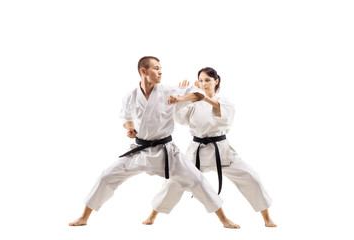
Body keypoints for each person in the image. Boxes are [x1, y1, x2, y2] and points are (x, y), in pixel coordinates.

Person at [69, 57, 239, 228]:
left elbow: (199, 94)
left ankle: (224, 219)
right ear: (143, 71)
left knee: (197, 180)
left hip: (166, 151)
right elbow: (125, 116)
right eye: (156, 68)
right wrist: (129, 128)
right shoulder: (131, 96)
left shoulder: (168, 91)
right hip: (140, 150)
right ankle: (84, 217)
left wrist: (180, 99)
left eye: (161, 68)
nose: (160, 72)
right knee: (106, 176)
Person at [143, 67, 276, 227]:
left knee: (251, 178)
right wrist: (183, 98)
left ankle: (267, 218)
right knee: (174, 182)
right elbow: (181, 119)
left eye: (207, 80)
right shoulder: (194, 103)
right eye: (200, 80)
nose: (203, 84)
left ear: (216, 81)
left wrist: (200, 96)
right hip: (197, 150)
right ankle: (152, 215)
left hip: (221, 150)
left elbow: (222, 111)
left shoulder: (224, 101)